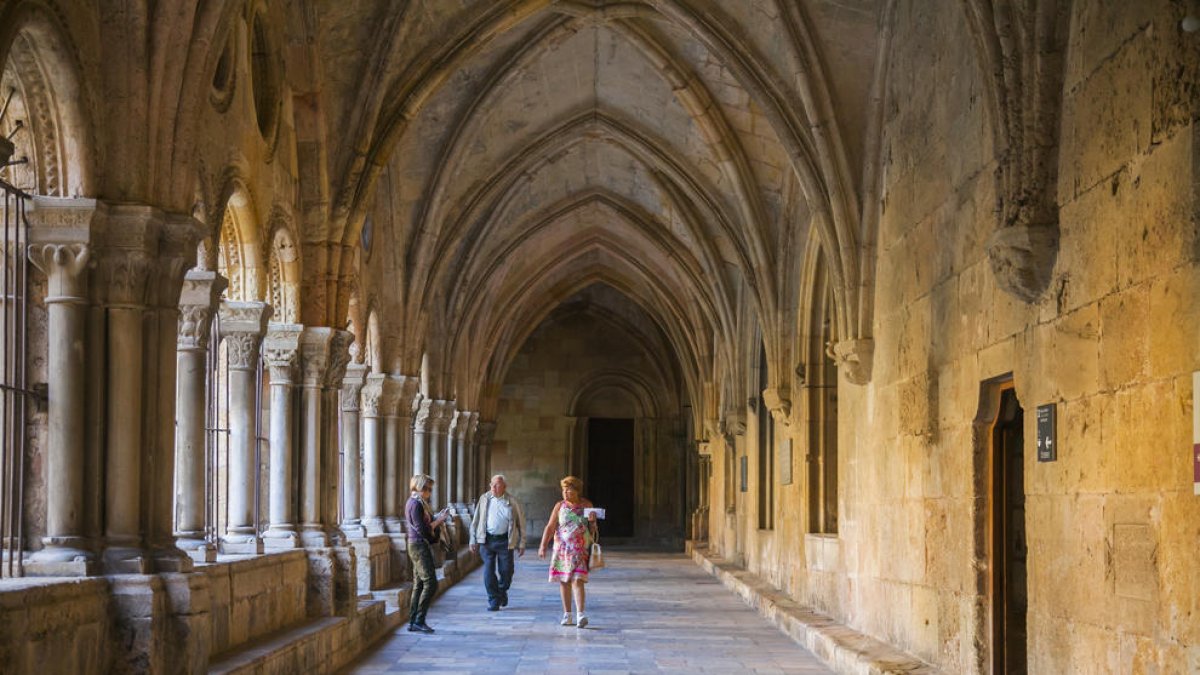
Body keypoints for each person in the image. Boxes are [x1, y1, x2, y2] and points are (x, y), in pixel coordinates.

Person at [538, 475, 598, 628]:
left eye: (569, 491)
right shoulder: (559, 506)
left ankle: (581, 614)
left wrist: (592, 522)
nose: (566, 494)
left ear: (577, 491)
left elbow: (593, 530)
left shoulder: (586, 505)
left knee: (578, 580)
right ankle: (567, 614)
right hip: (562, 549)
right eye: (564, 491)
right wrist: (543, 545)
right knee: (564, 581)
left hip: (579, 550)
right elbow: (550, 526)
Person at [469, 474, 527, 611]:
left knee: (507, 571)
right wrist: (472, 539)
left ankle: (501, 591)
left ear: (504, 487)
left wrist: (522, 543)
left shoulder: (512, 501)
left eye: (497, 485)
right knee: (488, 570)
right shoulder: (484, 499)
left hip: (505, 542)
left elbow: (521, 523)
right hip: (487, 540)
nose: (493, 487)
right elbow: (475, 520)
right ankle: (493, 600)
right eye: (492, 484)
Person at [405, 474, 449, 633]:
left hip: (417, 545)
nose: (429, 492)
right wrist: (440, 520)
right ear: (419, 487)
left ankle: (413, 621)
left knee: (419, 584)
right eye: (427, 488)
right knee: (431, 583)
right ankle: (419, 619)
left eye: (430, 489)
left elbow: (424, 523)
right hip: (418, 546)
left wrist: (437, 517)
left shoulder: (418, 503)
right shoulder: (415, 504)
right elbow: (423, 529)